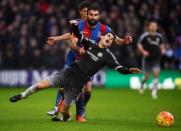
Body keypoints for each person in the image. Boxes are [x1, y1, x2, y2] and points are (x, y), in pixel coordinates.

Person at [9, 20, 141, 122]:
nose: (109, 39)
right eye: (108, 36)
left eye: (111, 39)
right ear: (101, 37)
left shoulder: (108, 56)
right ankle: (22, 95)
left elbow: (121, 69)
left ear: (111, 43)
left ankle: (65, 117)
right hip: (68, 73)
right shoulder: (91, 44)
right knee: (40, 85)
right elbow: (78, 35)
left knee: (65, 111)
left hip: (77, 85)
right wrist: (74, 26)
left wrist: (129, 70)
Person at [46, 3, 133, 122]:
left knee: (88, 90)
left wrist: (124, 41)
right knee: (65, 84)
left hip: (88, 60)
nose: (89, 15)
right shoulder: (78, 24)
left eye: (91, 13)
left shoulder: (103, 28)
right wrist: (74, 47)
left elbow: (116, 39)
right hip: (73, 57)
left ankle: (81, 108)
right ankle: (60, 108)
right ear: (82, 12)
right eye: (86, 12)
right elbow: (71, 40)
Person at [137, 21, 164, 99]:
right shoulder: (145, 36)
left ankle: (154, 93)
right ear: (149, 27)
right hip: (147, 59)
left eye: (154, 26)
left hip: (156, 58)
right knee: (147, 77)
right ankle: (142, 84)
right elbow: (139, 44)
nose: (153, 27)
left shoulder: (159, 36)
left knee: (156, 75)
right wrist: (143, 51)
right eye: (152, 26)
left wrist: (162, 50)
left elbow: (161, 45)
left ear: (156, 27)